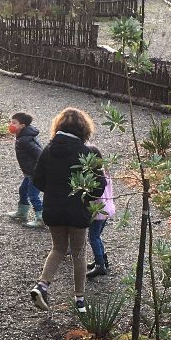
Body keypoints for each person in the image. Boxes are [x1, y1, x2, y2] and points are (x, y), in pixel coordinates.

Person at [29, 108, 106, 314]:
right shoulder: (87, 153)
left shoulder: (48, 149)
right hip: (77, 211)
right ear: (83, 128)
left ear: (59, 126)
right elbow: (100, 185)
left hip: (53, 209)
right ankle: (80, 300)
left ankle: (42, 285)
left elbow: (37, 180)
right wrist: (85, 198)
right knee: (78, 253)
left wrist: (54, 191)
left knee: (58, 248)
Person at [5, 112, 44, 228]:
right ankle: (22, 212)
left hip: (35, 173)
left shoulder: (26, 140)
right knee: (23, 190)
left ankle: (40, 217)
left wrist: (39, 170)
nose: (11, 125)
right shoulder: (22, 136)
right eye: (11, 122)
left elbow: (40, 154)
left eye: (14, 123)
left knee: (33, 195)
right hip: (29, 172)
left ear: (22, 126)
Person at [86, 144, 114, 279]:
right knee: (97, 236)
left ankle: (100, 264)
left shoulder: (94, 175)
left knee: (93, 237)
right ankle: (102, 259)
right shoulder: (104, 171)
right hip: (107, 209)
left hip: (98, 211)